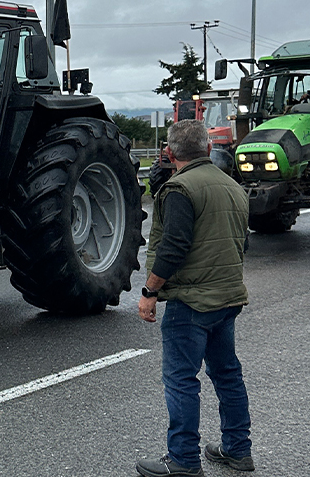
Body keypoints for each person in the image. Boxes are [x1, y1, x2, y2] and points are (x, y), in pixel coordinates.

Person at [136, 120, 254, 477]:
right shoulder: (233, 187)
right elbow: (241, 243)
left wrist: (149, 292)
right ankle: (238, 450)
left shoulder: (179, 189)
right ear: (207, 149)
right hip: (227, 297)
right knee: (227, 375)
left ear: (169, 153)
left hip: (191, 302)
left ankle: (184, 459)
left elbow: (172, 249)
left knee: (182, 379)